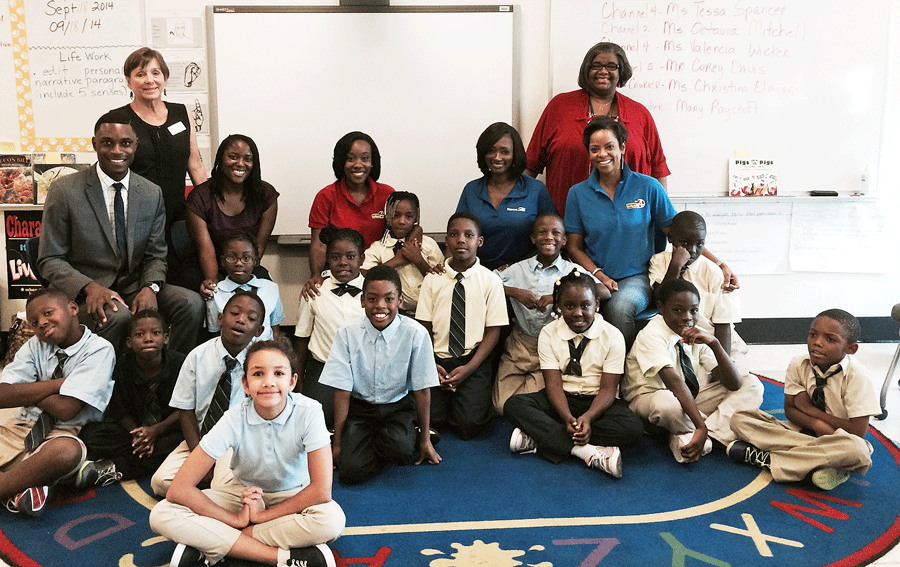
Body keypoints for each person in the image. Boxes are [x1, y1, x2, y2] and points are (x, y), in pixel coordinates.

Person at [149, 338, 345, 567]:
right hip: (241, 495)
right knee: (162, 513)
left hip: (294, 496)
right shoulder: (234, 416)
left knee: (331, 521)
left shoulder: (309, 411)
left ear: (292, 382)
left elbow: (321, 491)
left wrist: (260, 517)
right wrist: (236, 518)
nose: (269, 382)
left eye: (279, 374)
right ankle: (281, 558)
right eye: (258, 374)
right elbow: (179, 489)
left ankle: (211, 546)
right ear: (245, 384)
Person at [38, 111, 204, 355]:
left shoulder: (150, 192)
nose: (117, 151)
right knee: (118, 316)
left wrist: (151, 287)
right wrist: (89, 287)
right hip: (86, 291)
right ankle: (114, 386)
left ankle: (166, 374)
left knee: (191, 305)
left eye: (125, 143)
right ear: (95, 144)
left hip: (136, 284)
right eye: (107, 143)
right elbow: (49, 259)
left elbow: (156, 254)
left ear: (136, 146)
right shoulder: (64, 190)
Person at [564, 116, 733, 349]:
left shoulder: (648, 187)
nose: (602, 154)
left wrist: (720, 263)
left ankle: (624, 375)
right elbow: (574, 247)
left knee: (619, 307)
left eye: (609, 146)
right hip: (595, 276)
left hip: (639, 277)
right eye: (595, 149)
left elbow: (682, 235)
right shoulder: (577, 193)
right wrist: (600, 276)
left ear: (622, 147)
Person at [504, 270, 642, 478]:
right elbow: (553, 385)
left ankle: (541, 437)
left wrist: (586, 418)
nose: (578, 312)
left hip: (597, 402)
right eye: (569, 306)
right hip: (562, 399)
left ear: (596, 304)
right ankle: (585, 451)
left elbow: (608, 389)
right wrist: (567, 417)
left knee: (633, 428)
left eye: (585, 306)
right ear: (558, 306)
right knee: (513, 405)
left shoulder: (613, 335)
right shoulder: (549, 333)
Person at [728, 309, 880, 491]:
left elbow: (857, 432)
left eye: (830, 339)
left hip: (838, 438)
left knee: (858, 450)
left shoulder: (858, 376)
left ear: (851, 349)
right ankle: (825, 463)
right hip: (801, 432)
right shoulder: (799, 364)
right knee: (740, 417)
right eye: (813, 335)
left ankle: (770, 460)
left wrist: (811, 410)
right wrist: (815, 424)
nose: (817, 343)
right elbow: (790, 411)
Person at [320, 265, 441, 484]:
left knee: (401, 450)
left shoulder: (416, 334)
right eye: (373, 299)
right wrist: (337, 445)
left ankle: (412, 435)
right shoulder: (347, 334)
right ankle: (367, 441)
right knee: (350, 472)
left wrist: (425, 441)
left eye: (388, 299)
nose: (380, 306)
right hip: (361, 410)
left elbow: (422, 389)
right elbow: (342, 391)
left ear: (400, 301)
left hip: (398, 407)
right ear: (362, 301)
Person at [0, 289, 115, 517]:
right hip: (20, 425)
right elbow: (3, 395)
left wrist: (27, 389)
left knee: (66, 452)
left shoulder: (99, 349)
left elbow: (66, 409)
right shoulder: (34, 346)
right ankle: (25, 486)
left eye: (48, 313)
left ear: (73, 309)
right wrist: (58, 384)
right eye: (34, 322)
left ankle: (11, 483)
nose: (42, 323)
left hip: (61, 433)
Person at [525, 41, 670, 218]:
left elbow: (658, 170)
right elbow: (530, 165)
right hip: (566, 221)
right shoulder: (559, 107)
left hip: (629, 226)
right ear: (586, 69)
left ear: (621, 71)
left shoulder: (639, 114)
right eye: (596, 65)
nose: (603, 71)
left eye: (611, 66)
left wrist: (662, 218)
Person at [622, 279, 758, 464]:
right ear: (661, 308)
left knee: (751, 385)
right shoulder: (652, 334)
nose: (687, 317)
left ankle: (701, 436)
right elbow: (674, 383)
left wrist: (715, 344)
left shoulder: (695, 331)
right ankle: (710, 431)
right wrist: (701, 426)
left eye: (693, 310)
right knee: (668, 404)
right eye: (678, 310)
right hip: (649, 398)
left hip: (688, 397)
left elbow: (733, 383)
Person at [150, 291, 265, 498]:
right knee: (160, 482)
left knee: (220, 486)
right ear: (220, 318)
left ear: (259, 330)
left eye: (251, 319)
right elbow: (186, 410)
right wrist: (199, 458)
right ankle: (219, 492)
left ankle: (215, 491)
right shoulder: (197, 356)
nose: (241, 320)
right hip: (203, 438)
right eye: (235, 313)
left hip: (239, 442)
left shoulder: (261, 363)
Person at [492, 213, 608, 414]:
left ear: (564, 241)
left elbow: (604, 291)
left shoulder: (572, 272)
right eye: (542, 232)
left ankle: (530, 413)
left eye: (556, 233)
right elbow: (486, 283)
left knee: (535, 406)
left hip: (552, 347)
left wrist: (559, 296)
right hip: (520, 343)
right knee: (500, 407)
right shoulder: (518, 269)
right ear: (533, 238)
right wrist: (514, 292)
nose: (549, 237)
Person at [114, 47, 207, 283]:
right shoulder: (118, 120)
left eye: (156, 72)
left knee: (184, 280)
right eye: (140, 74)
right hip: (137, 218)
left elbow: (194, 163)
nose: (149, 80)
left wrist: (210, 207)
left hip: (178, 216)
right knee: (145, 283)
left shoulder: (181, 113)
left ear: (165, 77)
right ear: (128, 81)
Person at [415, 212, 508, 439]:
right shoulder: (433, 279)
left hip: (472, 360)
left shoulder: (490, 281)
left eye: (468, 235)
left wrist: (469, 369)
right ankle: (445, 399)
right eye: (454, 235)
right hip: (437, 359)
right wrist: (432, 364)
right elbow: (423, 326)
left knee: (468, 427)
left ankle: (461, 400)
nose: (461, 240)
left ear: (479, 241)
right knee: (432, 418)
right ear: (446, 240)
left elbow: (494, 331)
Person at [78, 309, 186, 481]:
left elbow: (187, 408)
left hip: (167, 430)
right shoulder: (121, 367)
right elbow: (120, 412)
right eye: (139, 334)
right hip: (134, 433)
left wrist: (157, 429)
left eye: (156, 333)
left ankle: (117, 467)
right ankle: (148, 457)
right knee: (90, 434)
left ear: (166, 338)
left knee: (185, 440)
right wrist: (138, 435)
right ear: (129, 342)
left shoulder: (182, 364)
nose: (148, 338)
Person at [648, 211, 750, 376]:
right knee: (693, 385)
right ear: (671, 238)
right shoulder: (659, 262)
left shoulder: (715, 273)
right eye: (685, 243)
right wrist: (675, 266)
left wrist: (721, 361)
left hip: (719, 339)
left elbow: (723, 325)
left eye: (700, 244)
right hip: (685, 341)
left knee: (744, 382)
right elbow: (659, 301)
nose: (692, 251)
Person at [186, 134, 279, 298]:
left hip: (246, 267)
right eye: (233, 157)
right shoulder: (200, 197)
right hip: (206, 268)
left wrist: (242, 279)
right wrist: (213, 284)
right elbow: (205, 250)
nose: (240, 164)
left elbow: (257, 250)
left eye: (247, 159)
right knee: (212, 296)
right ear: (221, 159)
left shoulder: (266, 195)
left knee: (265, 292)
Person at [303, 132, 394, 299]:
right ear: (341, 162)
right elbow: (319, 244)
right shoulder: (326, 196)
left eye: (365, 158)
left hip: (379, 276)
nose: (358, 165)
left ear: (373, 162)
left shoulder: (387, 194)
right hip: (339, 275)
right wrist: (316, 275)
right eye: (351, 158)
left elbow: (405, 231)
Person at [293, 227, 366, 429]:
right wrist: (298, 384)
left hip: (363, 367)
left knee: (362, 418)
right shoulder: (315, 292)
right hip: (324, 367)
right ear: (327, 259)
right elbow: (301, 338)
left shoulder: (373, 291)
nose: (343, 262)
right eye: (335, 257)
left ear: (362, 258)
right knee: (316, 419)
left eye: (350, 256)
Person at [457, 122, 557, 270]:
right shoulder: (471, 189)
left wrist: (515, 268)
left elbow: (554, 238)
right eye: (491, 151)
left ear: (515, 154)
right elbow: (457, 234)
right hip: (477, 274)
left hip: (527, 274)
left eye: (504, 151)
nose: (497, 157)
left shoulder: (535, 190)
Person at [361, 192, 443, 315]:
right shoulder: (378, 248)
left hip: (430, 311)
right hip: (396, 314)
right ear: (388, 216)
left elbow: (441, 280)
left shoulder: (428, 244)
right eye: (396, 215)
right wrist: (397, 260)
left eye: (409, 216)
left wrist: (418, 260)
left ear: (416, 217)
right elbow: (365, 276)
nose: (402, 221)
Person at [207, 231, 285, 342]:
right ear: (223, 261)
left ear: (256, 261)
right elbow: (214, 334)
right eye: (232, 257)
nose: (239, 263)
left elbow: (275, 329)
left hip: (264, 353)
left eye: (246, 258)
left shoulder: (271, 289)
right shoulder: (215, 292)